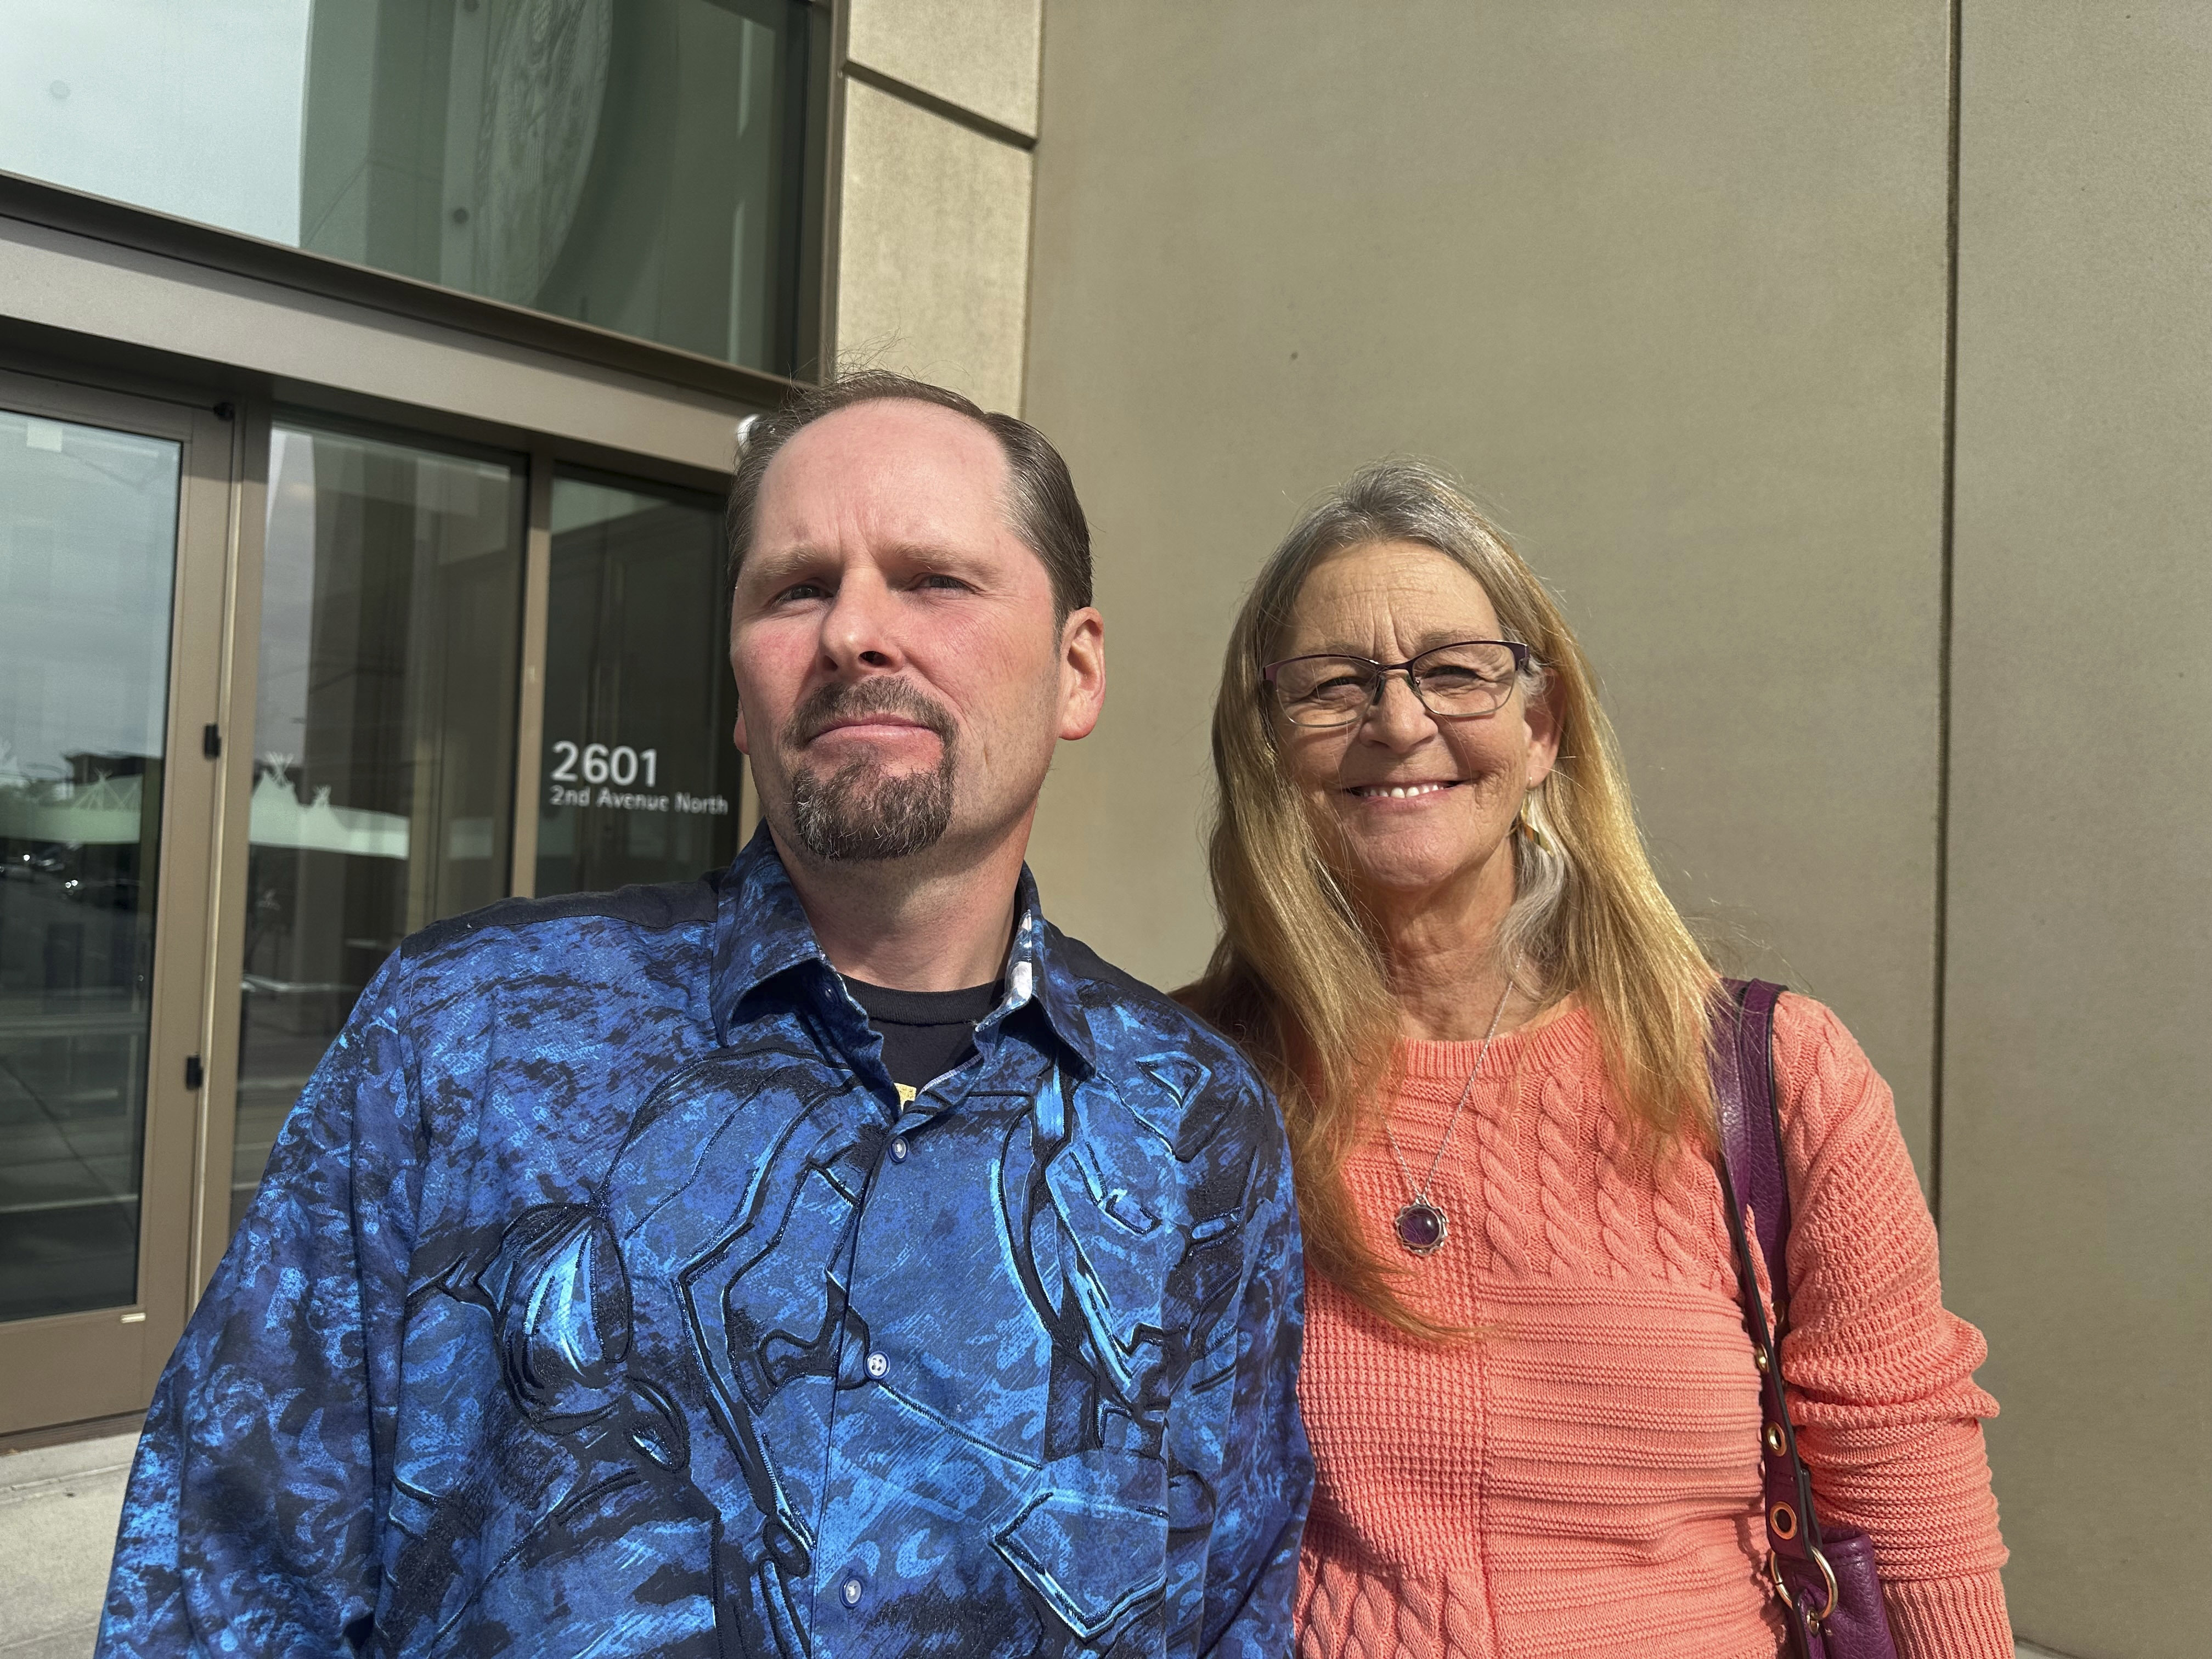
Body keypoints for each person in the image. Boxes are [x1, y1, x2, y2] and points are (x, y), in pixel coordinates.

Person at [99, 371, 1313, 1658]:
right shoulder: (466, 1037)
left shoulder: (1192, 1129)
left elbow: (1231, 1602)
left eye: (932, 581)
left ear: (1076, 671)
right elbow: (228, 1583)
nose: (854, 633)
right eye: (796, 589)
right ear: (741, 695)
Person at [1180, 460, 2011, 1657]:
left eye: (1456, 672)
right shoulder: (1174, 1089)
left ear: (1543, 729)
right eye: (1332, 686)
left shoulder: (1771, 1077)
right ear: (1268, 742)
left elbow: (1908, 1480)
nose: (1401, 721)